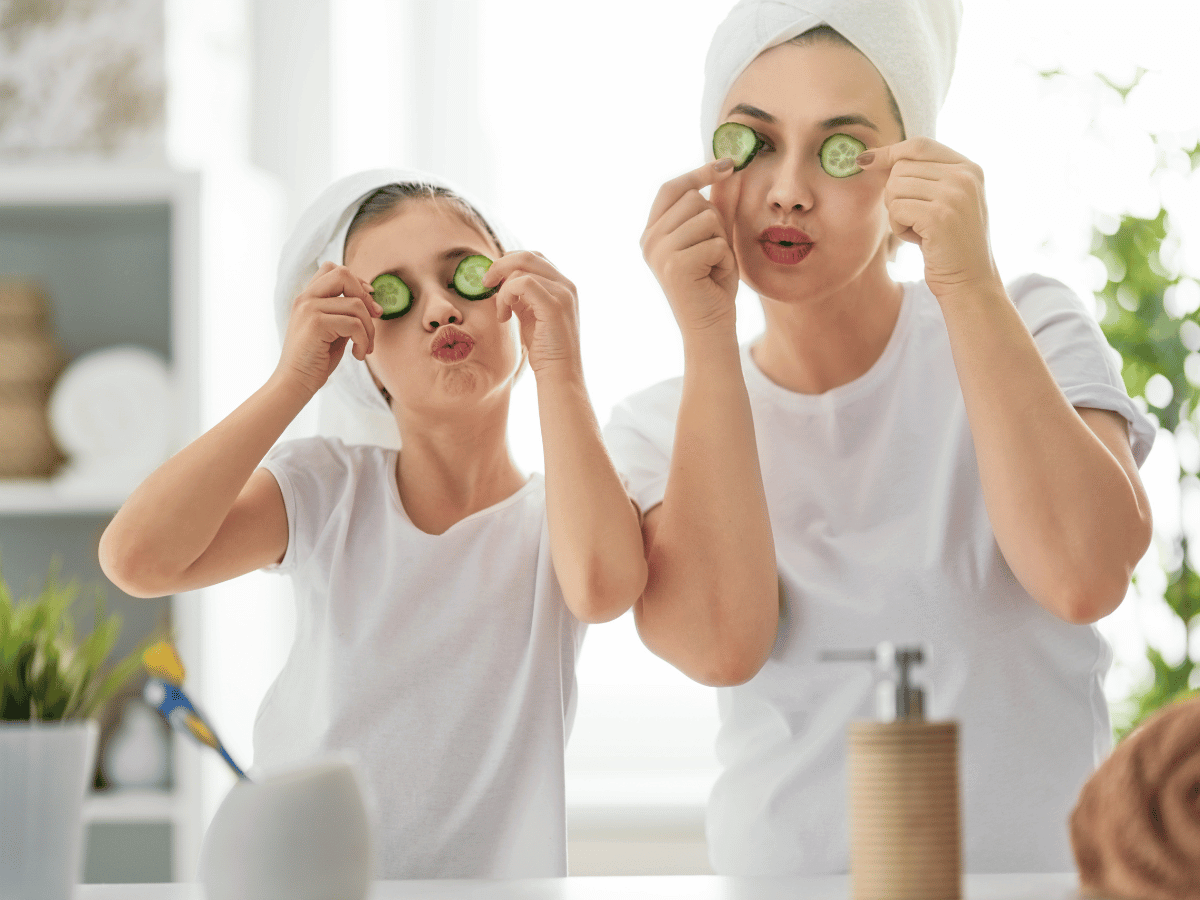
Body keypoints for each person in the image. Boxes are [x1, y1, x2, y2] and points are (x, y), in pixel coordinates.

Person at [605, 0, 1156, 876]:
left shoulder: (1030, 323)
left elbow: (1085, 574)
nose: (787, 187)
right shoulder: (654, 423)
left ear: (911, 167)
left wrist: (966, 276)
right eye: (751, 141)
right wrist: (707, 332)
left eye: (838, 148)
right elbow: (719, 645)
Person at [98, 168, 647, 878]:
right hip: (300, 880)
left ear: (514, 298)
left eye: (466, 276)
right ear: (363, 353)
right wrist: (292, 380)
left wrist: (560, 367)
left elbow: (603, 588)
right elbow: (137, 559)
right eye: (397, 296)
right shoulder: (329, 487)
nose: (441, 309)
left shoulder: (566, 514)